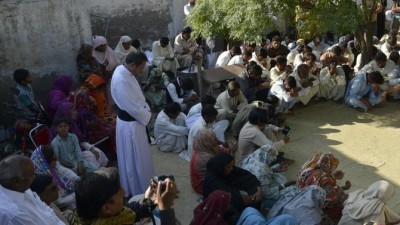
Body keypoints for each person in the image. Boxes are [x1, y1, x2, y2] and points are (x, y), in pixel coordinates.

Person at [110, 51, 155, 197]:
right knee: (134, 161)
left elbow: (137, 98)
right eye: (140, 68)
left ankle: (145, 183)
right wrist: (148, 115)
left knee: (141, 157)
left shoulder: (125, 71)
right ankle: (139, 190)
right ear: (132, 65)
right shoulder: (121, 78)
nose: (141, 71)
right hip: (130, 125)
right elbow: (131, 107)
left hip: (135, 121)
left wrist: (145, 108)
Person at [71, 167, 178, 225]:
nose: (123, 191)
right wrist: (166, 208)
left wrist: (149, 201)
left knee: (136, 199)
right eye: (119, 190)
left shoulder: (88, 217)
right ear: (106, 208)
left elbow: (128, 211)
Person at [0, 155, 65, 225]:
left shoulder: (21, 188)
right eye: (32, 175)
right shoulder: (14, 214)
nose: (35, 177)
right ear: (17, 181)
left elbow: (46, 209)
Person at [52, 102, 109, 166]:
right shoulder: (56, 131)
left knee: (98, 152)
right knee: (91, 157)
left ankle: (102, 173)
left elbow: (80, 141)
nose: (76, 112)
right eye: (73, 110)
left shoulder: (73, 125)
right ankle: (97, 174)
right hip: (68, 159)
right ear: (67, 112)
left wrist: (91, 149)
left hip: (78, 151)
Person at [298, 152, 351, 222]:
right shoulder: (324, 179)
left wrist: (332, 177)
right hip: (317, 208)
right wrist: (343, 190)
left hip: (303, 200)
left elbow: (317, 184)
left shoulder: (308, 170)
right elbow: (331, 201)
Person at [239, 143, 296, 208]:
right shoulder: (262, 171)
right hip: (257, 197)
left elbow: (263, 171)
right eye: (272, 160)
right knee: (292, 190)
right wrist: (285, 185)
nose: (272, 161)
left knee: (276, 166)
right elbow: (267, 193)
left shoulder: (252, 157)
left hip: (250, 185)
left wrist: (276, 170)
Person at [190, 129, 225, 194]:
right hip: (201, 186)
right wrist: (232, 153)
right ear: (207, 142)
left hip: (197, 178)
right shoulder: (206, 158)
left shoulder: (199, 144)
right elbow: (224, 169)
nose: (216, 140)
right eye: (214, 139)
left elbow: (217, 146)